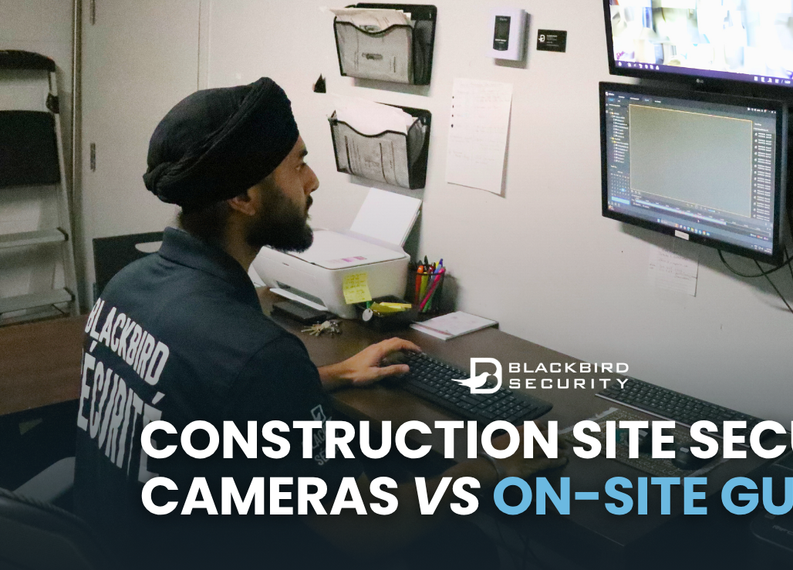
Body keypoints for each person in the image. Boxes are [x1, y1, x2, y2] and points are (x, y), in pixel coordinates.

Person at [73, 77, 563, 569]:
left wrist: (332, 374)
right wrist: (492, 465)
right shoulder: (257, 355)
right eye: (298, 164)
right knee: (466, 548)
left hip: (123, 546)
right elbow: (365, 529)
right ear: (243, 197)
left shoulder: (125, 288)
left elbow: (206, 394)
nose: (312, 181)